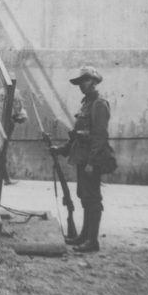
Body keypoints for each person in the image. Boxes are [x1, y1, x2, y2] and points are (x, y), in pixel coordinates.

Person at [50, 66, 111, 253]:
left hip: (91, 160)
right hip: (82, 158)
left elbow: (100, 137)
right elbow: (78, 135)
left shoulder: (99, 104)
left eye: (83, 81)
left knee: (92, 199)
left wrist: (92, 163)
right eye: (79, 83)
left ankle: (92, 241)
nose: (80, 86)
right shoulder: (86, 103)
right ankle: (84, 236)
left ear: (93, 82)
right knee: (84, 197)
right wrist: (62, 150)